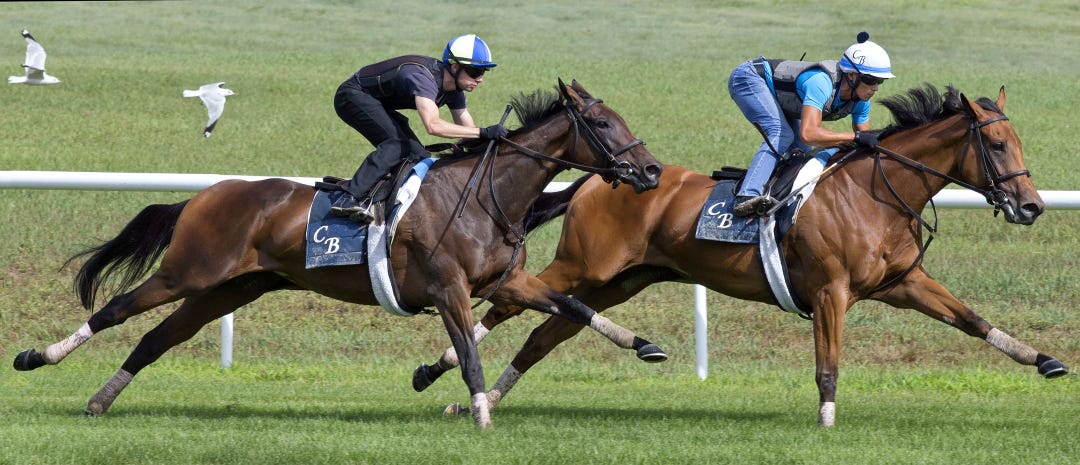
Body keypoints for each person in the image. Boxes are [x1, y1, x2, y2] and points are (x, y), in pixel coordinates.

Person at [330, 34, 508, 223]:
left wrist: (495, 142)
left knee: (418, 155)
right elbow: (433, 125)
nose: (480, 79)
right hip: (351, 96)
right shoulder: (422, 78)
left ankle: (379, 201)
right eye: (475, 72)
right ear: (455, 67)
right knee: (395, 144)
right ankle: (348, 197)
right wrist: (483, 132)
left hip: (378, 103)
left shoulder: (454, 90)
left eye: (483, 72)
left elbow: (469, 130)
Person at [727, 31, 894, 217]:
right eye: (871, 80)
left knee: (802, 152)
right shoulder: (821, 82)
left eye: (880, 81)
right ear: (852, 76)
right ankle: (747, 195)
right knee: (782, 133)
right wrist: (855, 137)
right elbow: (809, 133)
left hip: (781, 97)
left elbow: (866, 142)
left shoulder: (861, 100)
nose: (875, 88)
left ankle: (776, 195)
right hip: (749, 78)